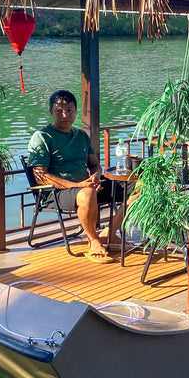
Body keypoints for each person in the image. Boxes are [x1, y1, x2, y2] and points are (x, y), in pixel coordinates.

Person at [27, 89, 118, 261]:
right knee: (88, 193)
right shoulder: (42, 137)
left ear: (75, 111)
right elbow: (40, 176)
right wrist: (80, 185)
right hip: (55, 192)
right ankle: (93, 240)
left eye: (69, 110)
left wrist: (96, 176)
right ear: (51, 112)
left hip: (85, 186)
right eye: (59, 110)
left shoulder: (81, 135)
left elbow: (94, 164)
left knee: (139, 186)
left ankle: (110, 232)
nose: (65, 114)